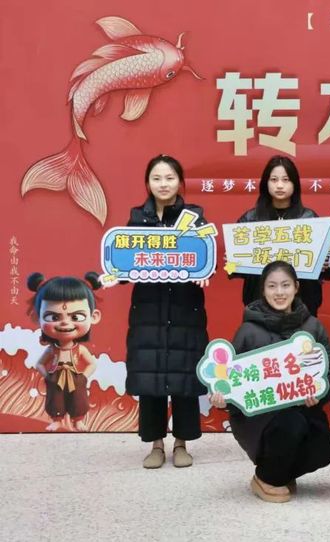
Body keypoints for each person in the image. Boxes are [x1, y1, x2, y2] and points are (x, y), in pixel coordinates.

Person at [209, 261, 330, 503]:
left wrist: (319, 392)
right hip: (258, 415)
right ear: (263, 289)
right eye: (272, 286)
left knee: (323, 450)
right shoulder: (248, 330)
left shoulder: (312, 326)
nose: (279, 292)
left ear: (296, 287)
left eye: (285, 285)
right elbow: (228, 376)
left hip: (302, 406)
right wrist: (222, 397)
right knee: (291, 424)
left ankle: (282, 472)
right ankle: (266, 478)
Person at [124, 155, 210, 469]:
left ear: (180, 182)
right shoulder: (137, 219)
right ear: (148, 183)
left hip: (185, 307)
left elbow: (207, 258)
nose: (163, 184)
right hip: (149, 309)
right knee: (151, 376)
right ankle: (156, 444)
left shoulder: (195, 217)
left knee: (184, 376)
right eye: (157, 178)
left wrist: (205, 270)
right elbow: (123, 262)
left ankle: (182, 443)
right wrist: (116, 272)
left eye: (170, 178)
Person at [231, 155, 327, 316]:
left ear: (295, 184)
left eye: (286, 180)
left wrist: (324, 264)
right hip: (259, 306)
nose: (280, 185)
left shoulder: (310, 219)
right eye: (274, 180)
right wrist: (233, 262)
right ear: (265, 183)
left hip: (301, 306)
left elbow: (323, 271)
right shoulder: (250, 220)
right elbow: (234, 269)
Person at [29, 272, 102, 432]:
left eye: (76, 317)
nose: (64, 323)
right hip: (56, 377)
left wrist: (83, 377)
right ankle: (57, 419)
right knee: (55, 399)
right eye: (53, 317)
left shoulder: (80, 349)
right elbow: (40, 364)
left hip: (76, 377)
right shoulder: (51, 349)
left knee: (78, 399)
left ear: (94, 316)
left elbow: (91, 364)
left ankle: (78, 420)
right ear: (36, 318)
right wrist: (48, 376)